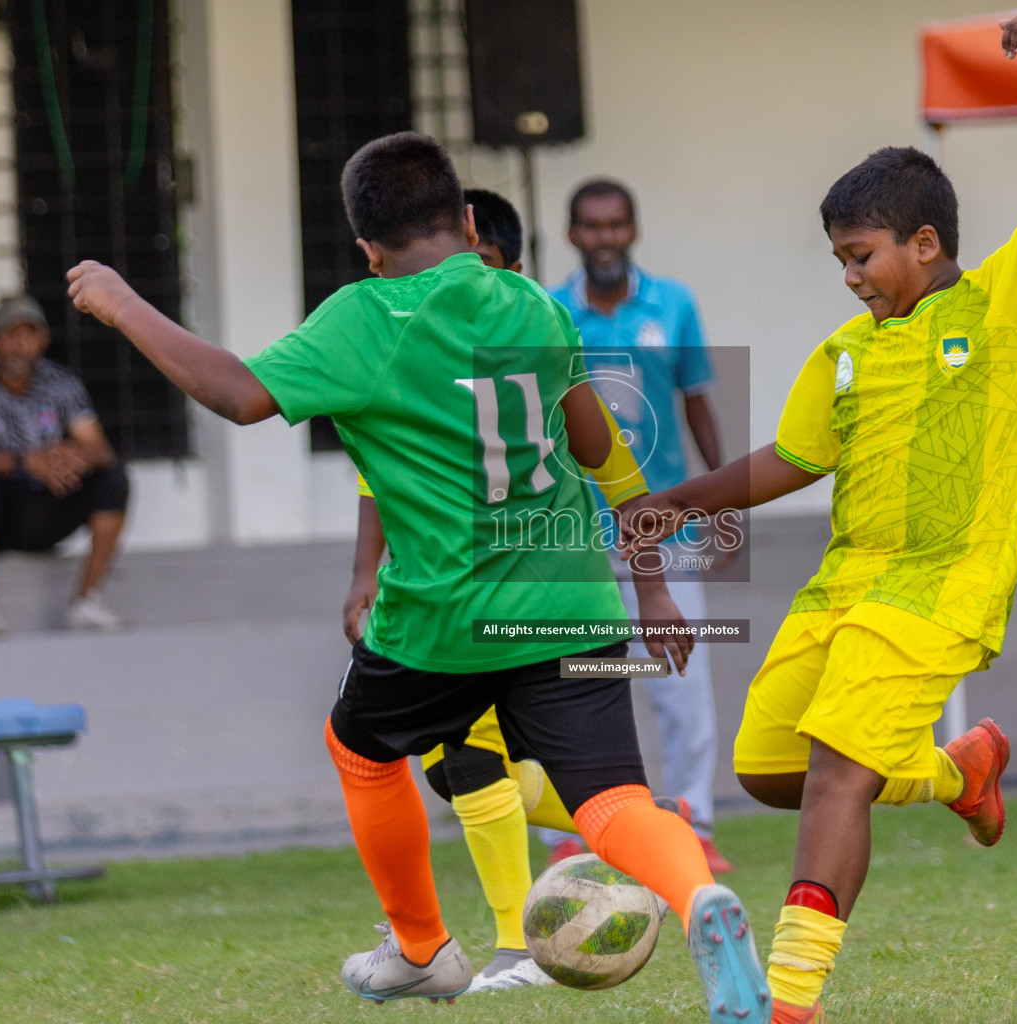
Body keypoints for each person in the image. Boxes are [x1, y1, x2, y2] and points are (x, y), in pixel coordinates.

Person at [66, 133, 770, 1022]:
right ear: (470, 222)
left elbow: (240, 395)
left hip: (444, 616)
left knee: (360, 749)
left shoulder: (365, 317)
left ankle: (421, 947)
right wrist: (655, 586)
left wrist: (126, 303)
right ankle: (700, 896)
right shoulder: (530, 304)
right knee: (612, 798)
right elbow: (602, 447)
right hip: (571, 602)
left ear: (366, 245)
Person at [620, 12, 1017, 1023]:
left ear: (926, 243)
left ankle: (787, 1001)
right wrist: (674, 504)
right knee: (770, 769)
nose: (850, 275)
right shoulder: (845, 350)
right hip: (846, 587)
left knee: (839, 770)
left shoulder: (1011, 304)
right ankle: (957, 773)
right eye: (839, 259)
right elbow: (790, 460)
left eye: (862, 254)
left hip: (942, 586)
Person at [342, 187, 686, 993]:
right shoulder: (421, 360)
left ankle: (513, 946)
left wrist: (654, 588)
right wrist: (365, 575)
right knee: (484, 770)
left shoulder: (535, 342)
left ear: (514, 271)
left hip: (537, 605)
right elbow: (377, 478)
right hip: (467, 604)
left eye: (483, 272)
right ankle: (656, 846)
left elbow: (613, 462)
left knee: (464, 758)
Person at [543, 177, 734, 874]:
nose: (606, 238)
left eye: (617, 224)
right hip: (573, 539)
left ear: (634, 230)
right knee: (569, 683)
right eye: (592, 226)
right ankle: (567, 832)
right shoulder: (548, 312)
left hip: (667, 533)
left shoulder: (674, 305)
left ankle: (695, 823)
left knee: (681, 680)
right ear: (572, 234)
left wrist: (725, 502)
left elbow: (696, 404)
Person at [0, 296, 129, 635]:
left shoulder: (61, 382)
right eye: (10, 335)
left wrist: (65, 454)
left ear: (44, 339)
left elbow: (99, 450)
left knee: (113, 479)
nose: (20, 345)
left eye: (29, 334)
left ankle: (87, 600)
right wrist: (25, 462)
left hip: (49, 506)